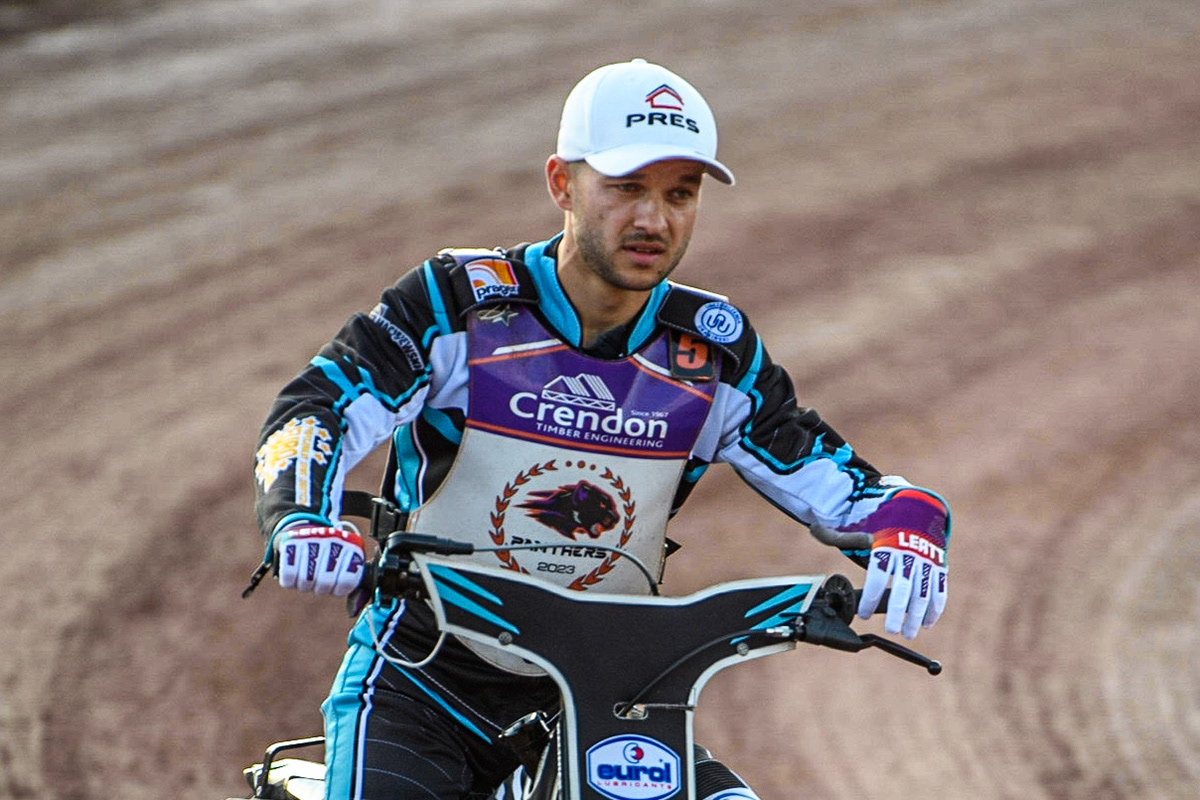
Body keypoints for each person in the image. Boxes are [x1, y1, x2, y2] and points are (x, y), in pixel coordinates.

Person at [253, 58, 950, 800]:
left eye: (681, 194)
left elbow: (836, 479)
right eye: (625, 189)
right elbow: (315, 409)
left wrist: (912, 524)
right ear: (562, 184)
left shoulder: (710, 351)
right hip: (422, 679)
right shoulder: (460, 303)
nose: (654, 220)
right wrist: (302, 517)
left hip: (609, 693)